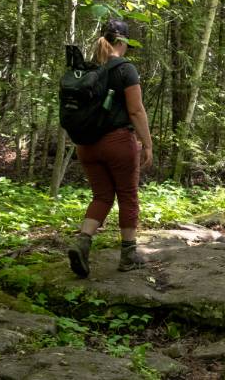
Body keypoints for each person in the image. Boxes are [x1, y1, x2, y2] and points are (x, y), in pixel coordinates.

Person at [67, 19, 153, 277]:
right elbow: (136, 110)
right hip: (117, 142)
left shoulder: (89, 69)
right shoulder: (125, 69)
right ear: (123, 42)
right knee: (127, 195)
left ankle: (82, 242)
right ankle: (128, 255)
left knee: (102, 196)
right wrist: (147, 143)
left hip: (86, 145)